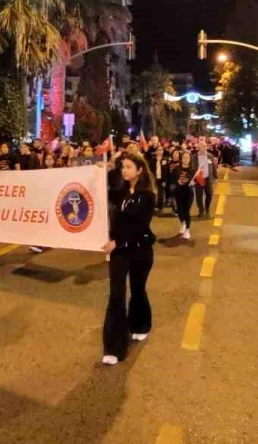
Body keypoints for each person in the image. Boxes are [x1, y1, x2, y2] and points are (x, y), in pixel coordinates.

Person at [101, 151, 157, 365]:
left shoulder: (148, 196)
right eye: (122, 167)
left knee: (137, 289)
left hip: (140, 250)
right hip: (119, 253)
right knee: (116, 295)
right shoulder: (119, 191)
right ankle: (114, 348)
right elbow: (100, 190)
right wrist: (104, 169)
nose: (124, 171)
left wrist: (116, 241)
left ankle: (140, 325)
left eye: (128, 167)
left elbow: (138, 225)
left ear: (140, 170)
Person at [173, 150, 195, 239]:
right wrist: (176, 181)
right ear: (181, 159)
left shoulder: (193, 170)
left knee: (186, 211)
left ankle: (187, 230)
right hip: (179, 192)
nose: (186, 159)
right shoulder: (177, 168)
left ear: (190, 159)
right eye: (184, 158)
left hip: (188, 193)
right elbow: (172, 179)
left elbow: (196, 180)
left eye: (187, 158)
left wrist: (194, 183)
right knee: (179, 211)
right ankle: (183, 223)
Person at [194, 142, 217, 217]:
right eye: (203, 146)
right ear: (199, 147)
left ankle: (207, 209)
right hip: (198, 179)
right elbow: (192, 167)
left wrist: (215, 177)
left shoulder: (210, 156)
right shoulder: (195, 156)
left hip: (208, 178)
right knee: (199, 196)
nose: (205, 148)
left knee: (209, 194)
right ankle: (201, 210)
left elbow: (213, 166)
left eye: (205, 146)